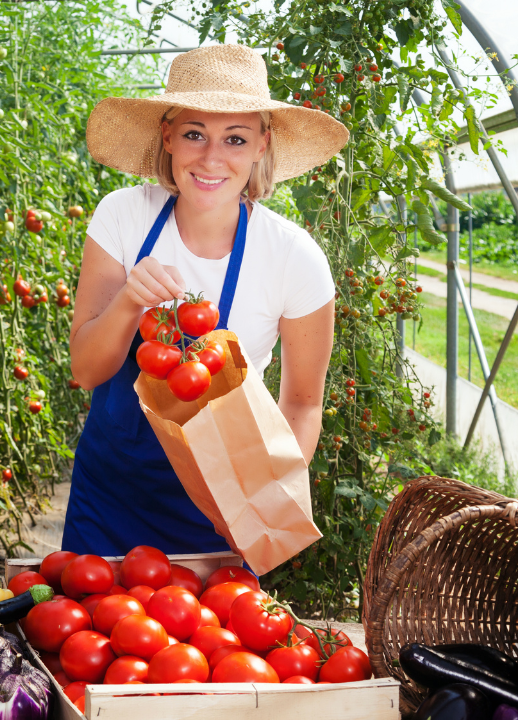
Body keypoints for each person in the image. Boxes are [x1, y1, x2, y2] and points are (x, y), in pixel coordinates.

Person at [63, 44, 348, 556]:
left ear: (262, 145)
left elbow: (303, 404)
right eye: (194, 134)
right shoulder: (123, 217)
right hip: (107, 500)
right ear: (168, 136)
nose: (211, 158)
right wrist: (129, 302)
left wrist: (263, 501)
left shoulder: (293, 257)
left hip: (219, 512)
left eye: (235, 139)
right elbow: (85, 371)